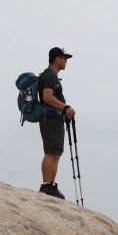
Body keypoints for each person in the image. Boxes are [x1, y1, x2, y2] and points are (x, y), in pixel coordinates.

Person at [37, 47, 77, 199]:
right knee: (50, 151)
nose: (66, 61)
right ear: (57, 59)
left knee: (56, 152)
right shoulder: (49, 76)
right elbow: (47, 97)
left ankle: (51, 185)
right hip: (50, 118)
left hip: (55, 118)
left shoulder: (51, 76)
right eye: (64, 58)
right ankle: (46, 185)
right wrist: (65, 107)